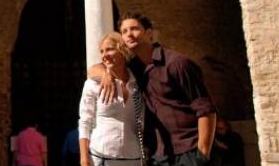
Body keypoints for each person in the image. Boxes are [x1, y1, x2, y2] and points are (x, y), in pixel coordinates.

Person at [90, 12, 217, 166]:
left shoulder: (177, 63)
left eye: (134, 29)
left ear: (149, 33)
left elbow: (206, 110)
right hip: (159, 155)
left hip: (188, 150)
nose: (129, 34)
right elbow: (93, 69)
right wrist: (106, 74)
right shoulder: (133, 68)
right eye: (124, 31)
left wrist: (202, 156)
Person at [78, 33, 142, 166]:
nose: (104, 55)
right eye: (102, 51)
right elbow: (85, 121)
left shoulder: (137, 83)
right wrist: (84, 159)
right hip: (100, 157)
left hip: (133, 158)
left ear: (122, 50)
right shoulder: (93, 84)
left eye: (109, 49)